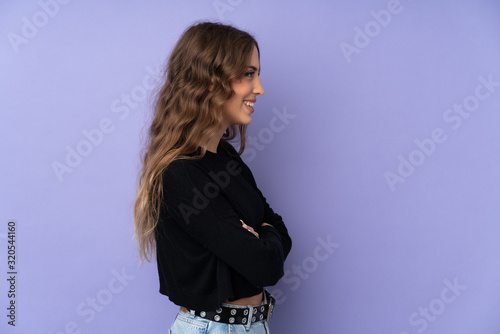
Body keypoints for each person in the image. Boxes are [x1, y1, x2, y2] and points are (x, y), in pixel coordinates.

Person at [134, 21, 292, 334]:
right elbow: (265, 265)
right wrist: (262, 235)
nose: (259, 88)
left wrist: (263, 234)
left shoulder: (228, 160)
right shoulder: (181, 174)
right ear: (209, 81)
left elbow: (280, 230)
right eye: (248, 74)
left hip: (251, 326)